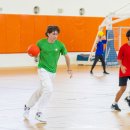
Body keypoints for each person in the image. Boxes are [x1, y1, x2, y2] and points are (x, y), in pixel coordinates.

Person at [23, 25, 72, 123]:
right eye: (53, 34)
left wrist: (69, 69)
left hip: (53, 72)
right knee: (49, 89)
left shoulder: (60, 45)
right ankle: (39, 113)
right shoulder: (41, 43)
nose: (55, 36)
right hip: (42, 69)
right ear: (48, 34)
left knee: (41, 91)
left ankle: (27, 107)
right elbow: (36, 55)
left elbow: (67, 57)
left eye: (57, 34)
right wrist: (35, 57)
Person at [111, 30, 130, 111]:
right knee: (123, 88)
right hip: (124, 71)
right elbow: (119, 59)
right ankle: (114, 104)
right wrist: (121, 66)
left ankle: (129, 98)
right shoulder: (123, 47)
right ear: (129, 37)